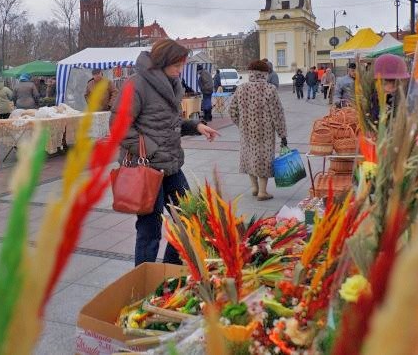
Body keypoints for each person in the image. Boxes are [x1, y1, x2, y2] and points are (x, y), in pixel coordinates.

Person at [112, 39, 219, 266]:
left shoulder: (172, 84)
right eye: (177, 65)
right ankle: (144, 282)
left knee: (191, 218)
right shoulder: (137, 84)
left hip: (171, 166)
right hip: (147, 168)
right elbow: (119, 127)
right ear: (162, 61)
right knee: (150, 231)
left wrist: (195, 126)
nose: (181, 70)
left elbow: (168, 121)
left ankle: (170, 268)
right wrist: (151, 151)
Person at [229, 60, 287, 201]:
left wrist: (241, 124)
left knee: (250, 157)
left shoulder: (241, 88)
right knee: (263, 159)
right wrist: (282, 134)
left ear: (250, 73)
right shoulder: (270, 89)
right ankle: (262, 191)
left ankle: (254, 187)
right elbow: (277, 113)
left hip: (247, 132)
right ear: (265, 73)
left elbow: (232, 111)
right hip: (265, 132)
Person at [369, 54, 410, 124]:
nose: (390, 88)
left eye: (396, 83)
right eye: (384, 83)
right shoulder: (374, 98)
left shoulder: (409, 97)